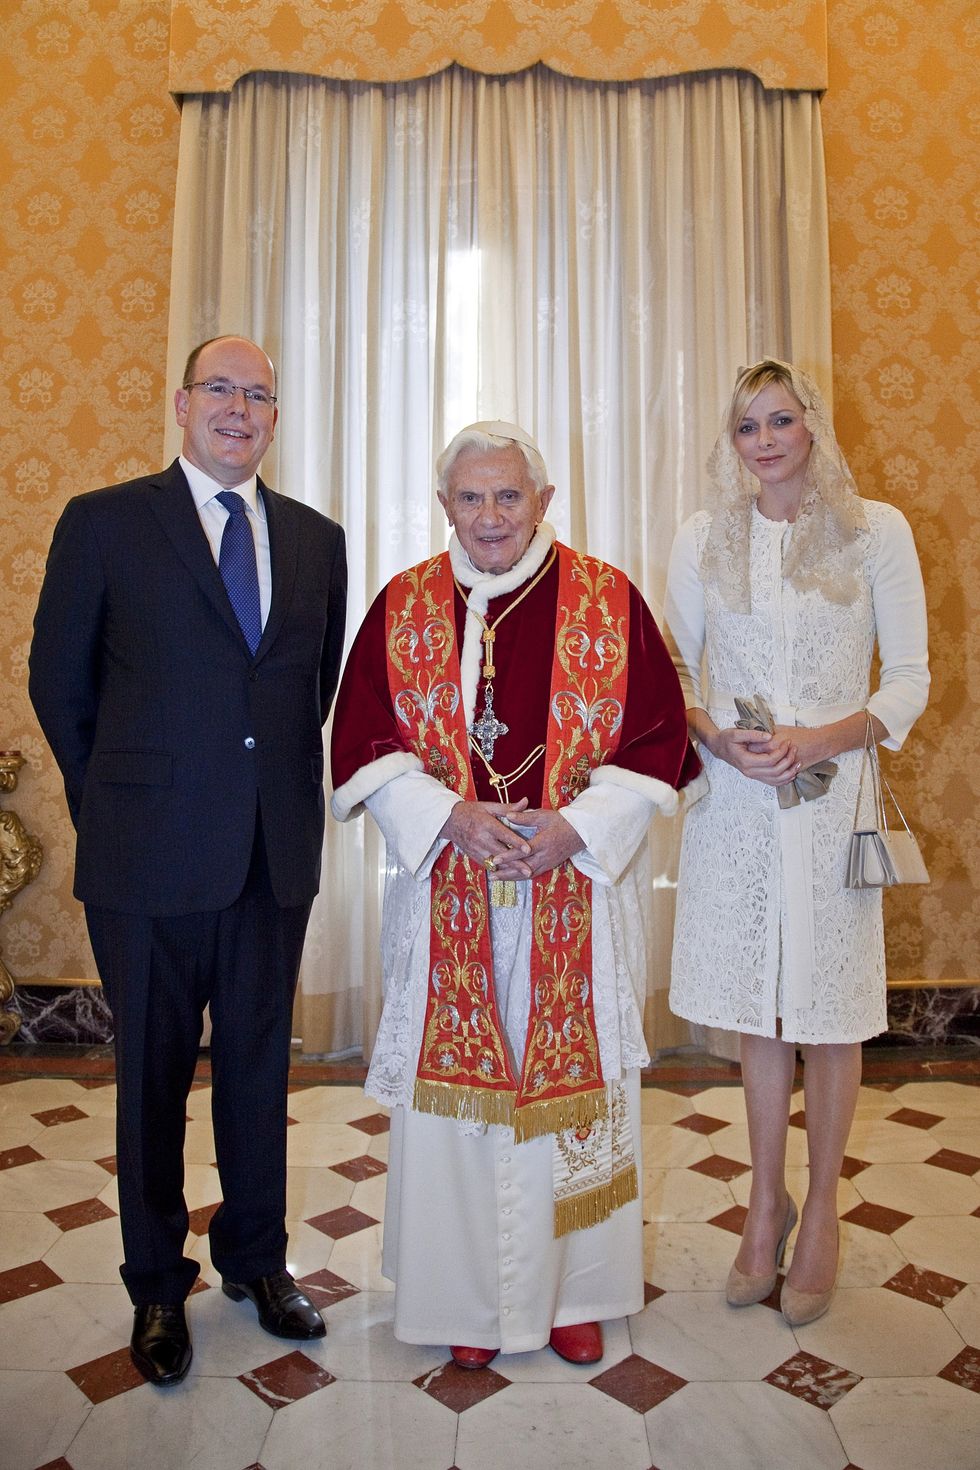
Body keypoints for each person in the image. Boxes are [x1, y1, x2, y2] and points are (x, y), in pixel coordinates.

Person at [331, 421, 701, 1367]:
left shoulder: (606, 599)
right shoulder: (404, 603)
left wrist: (578, 829)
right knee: (456, 1110)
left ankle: (573, 1295)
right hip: (447, 884)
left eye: (509, 497)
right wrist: (449, 816)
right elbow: (366, 741)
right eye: (470, 497)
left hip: (569, 888)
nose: (490, 516)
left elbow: (657, 739)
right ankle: (467, 1305)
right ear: (445, 504)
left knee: (572, 1102)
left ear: (543, 502)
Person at [29, 336, 347, 1385]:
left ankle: (258, 1262)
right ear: (180, 403)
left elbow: (313, 695)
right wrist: (115, 804)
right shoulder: (106, 523)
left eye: (260, 394)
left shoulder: (315, 540)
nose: (240, 407)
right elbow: (58, 685)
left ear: (272, 417)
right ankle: (157, 1288)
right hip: (146, 860)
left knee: (260, 1074)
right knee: (151, 1082)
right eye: (222, 387)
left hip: (269, 857)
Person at [665, 359, 929, 1326]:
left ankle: (821, 1212)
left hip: (831, 798)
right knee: (756, 1004)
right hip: (737, 802)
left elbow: (909, 679)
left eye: (781, 420)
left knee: (827, 1009)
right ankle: (763, 1201)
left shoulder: (875, 532)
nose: (766, 440)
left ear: (812, 425)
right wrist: (716, 739)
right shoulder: (703, 538)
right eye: (747, 427)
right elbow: (672, 671)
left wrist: (820, 738)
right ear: (731, 442)